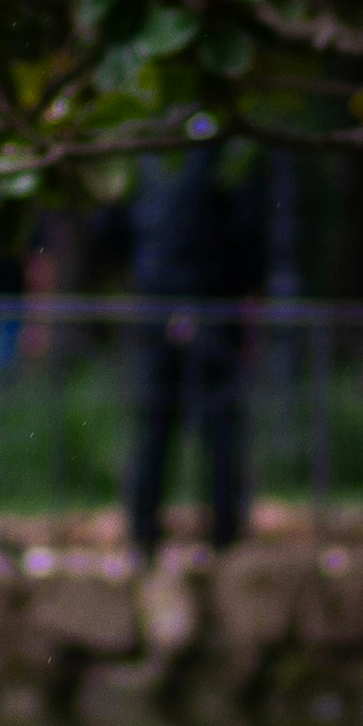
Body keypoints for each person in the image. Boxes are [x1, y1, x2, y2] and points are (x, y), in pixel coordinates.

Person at [114, 127, 272, 558]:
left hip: (156, 303)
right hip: (211, 304)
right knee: (218, 424)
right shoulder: (225, 152)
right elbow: (248, 232)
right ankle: (224, 537)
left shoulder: (145, 152)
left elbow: (112, 226)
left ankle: (143, 538)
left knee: (155, 423)